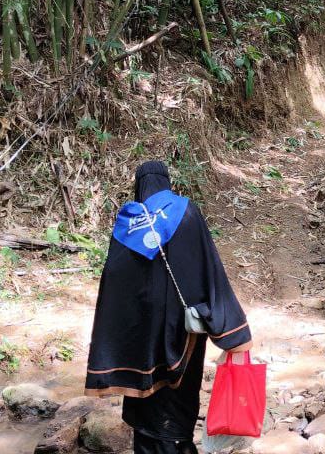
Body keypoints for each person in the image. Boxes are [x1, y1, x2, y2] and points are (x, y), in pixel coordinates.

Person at [85, 161, 253, 454]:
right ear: (167, 183)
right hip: (180, 331)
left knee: (145, 408)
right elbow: (207, 268)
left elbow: (113, 285)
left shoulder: (126, 223)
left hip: (139, 340)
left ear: (139, 187)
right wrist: (232, 331)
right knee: (176, 401)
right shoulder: (184, 211)